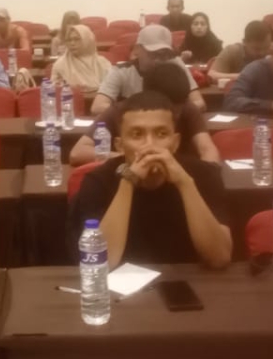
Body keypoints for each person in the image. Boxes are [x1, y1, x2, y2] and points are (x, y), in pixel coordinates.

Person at [68, 91, 231, 268]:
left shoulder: (205, 175)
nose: (150, 145)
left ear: (175, 142)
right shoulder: (98, 181)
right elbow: (102, 263)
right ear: (119, 146)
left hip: (187, 281)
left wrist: (184, 183)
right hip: (123, 282)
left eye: (161, 134)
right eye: (137, 134)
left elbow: (220, 258)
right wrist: (128, 181)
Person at [70, 63, 220, 165]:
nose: (175, 112)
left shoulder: (186, 107)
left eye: (178, 106)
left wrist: (207, 176)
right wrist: (130, 156)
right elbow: (78, 153)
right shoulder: (122, 110)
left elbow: (207, 149)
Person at [91, 25, 204, 116]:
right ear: (137, 49)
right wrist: (144, 112)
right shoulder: (121, 71)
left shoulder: (176, 65)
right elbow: (97, 107)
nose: (159, 60)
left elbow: (199, 103)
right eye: (153, 54)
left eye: (164, 54)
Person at [50, 24, 112, 92]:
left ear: (88, 40)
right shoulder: (60, 65)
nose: (72, 43)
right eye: (69, 40)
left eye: (77, 39)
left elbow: (112, 88)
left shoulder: (103, 63)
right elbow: (55, 90)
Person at [208, 20, 273, 83]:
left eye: (266, 48)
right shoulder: (232, 51)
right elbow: (211, 75)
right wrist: (244, 76)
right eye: (257, 49)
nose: (262, 53)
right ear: (244, 42)